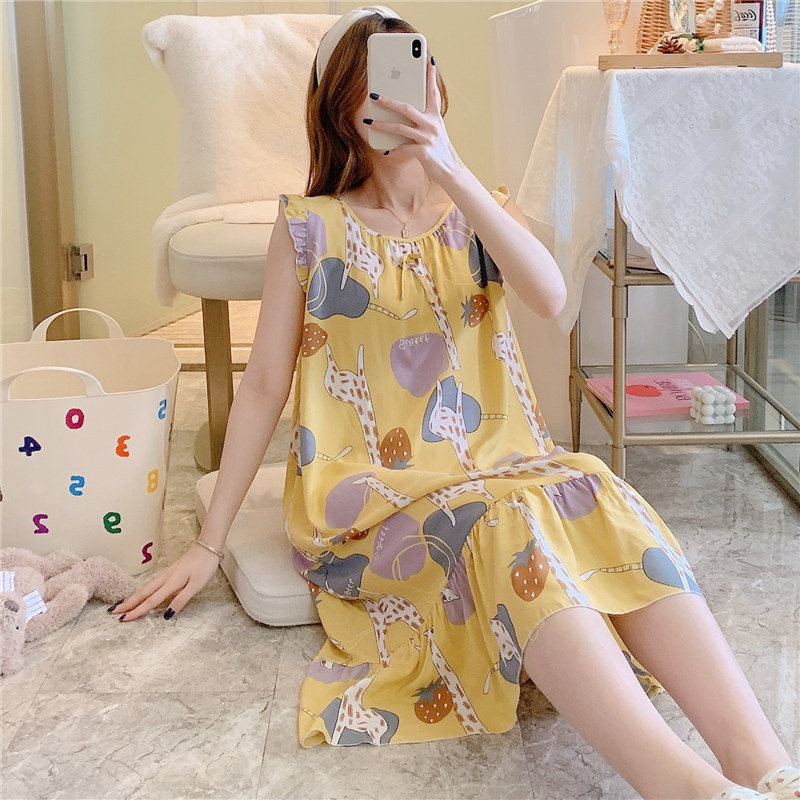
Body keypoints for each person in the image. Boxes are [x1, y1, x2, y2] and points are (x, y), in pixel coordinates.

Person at [113, 7, 797, 798]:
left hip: (499, 466)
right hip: (368, 500)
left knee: (595, 487)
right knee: (504, 523)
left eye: (416, 67)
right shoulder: (308, 227)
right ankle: (688, 789)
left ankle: (766, 768)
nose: (403, 93)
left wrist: (453, 171)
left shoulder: (476, 209)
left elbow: (550, 296)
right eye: (375, 83)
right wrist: (208, 544)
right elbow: (265, 384)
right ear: (342, 109)